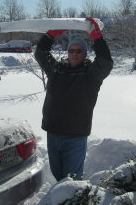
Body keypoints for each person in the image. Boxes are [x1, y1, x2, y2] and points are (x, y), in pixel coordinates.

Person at [34, 17, 113, 181]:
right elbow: (40, 53)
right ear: (67, 52)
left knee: (72, 180)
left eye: (79, 51)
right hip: (53, 133)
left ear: (85, 54)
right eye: (71, 50)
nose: (75, 54)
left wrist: (97, 38)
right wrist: (49, 36)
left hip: (75, 136)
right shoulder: (56, 70)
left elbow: (105, 62)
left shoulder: (91, 75)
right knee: (58, 176)